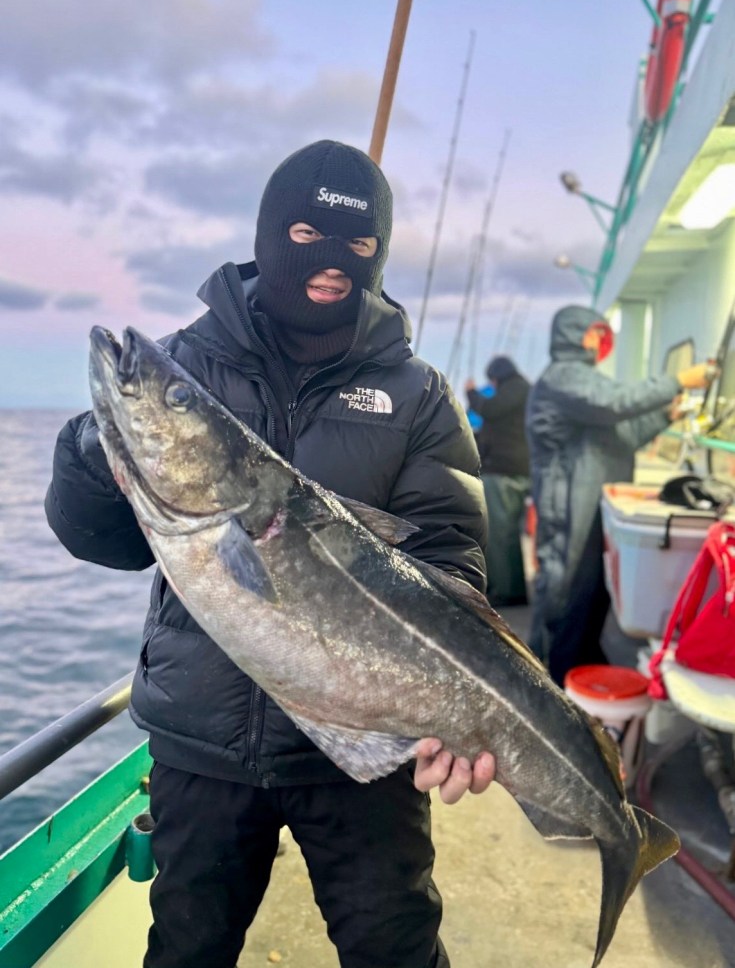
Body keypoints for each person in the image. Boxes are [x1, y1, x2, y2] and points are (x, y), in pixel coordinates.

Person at [45, 140, 496, 968]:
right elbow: (101, 544)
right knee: (187, 950)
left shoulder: (416, 394)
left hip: (365, 753)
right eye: (307, 235)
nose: (332, 265)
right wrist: (87, 454)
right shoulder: (184, 365)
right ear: (265, 235)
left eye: (359, 247)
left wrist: (452, 703)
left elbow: (448, 560)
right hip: (202, 743)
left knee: (396, 950)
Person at [525, 303, 715, 687]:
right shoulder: (565, 377)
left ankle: (578, 665)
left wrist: (666, 415)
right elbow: (617, 402)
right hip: (568, 508)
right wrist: (679, 379)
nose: (599, 341)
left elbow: (621, 436)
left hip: (593, 509)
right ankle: (545, 679)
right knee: (563, 592)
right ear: (576, 335)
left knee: (593, 591)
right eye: (595, 332)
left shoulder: (585, 389)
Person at [465, 355, 531, 607]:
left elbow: (490, 410)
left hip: (505, 473)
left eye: (492, 379)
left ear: (498, 375)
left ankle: (508, 591)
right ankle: (504, 587)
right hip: (511, 470)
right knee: (505, 533)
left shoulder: (516, 388)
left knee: (501, 534)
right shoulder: (520, 390)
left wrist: (471, 394)